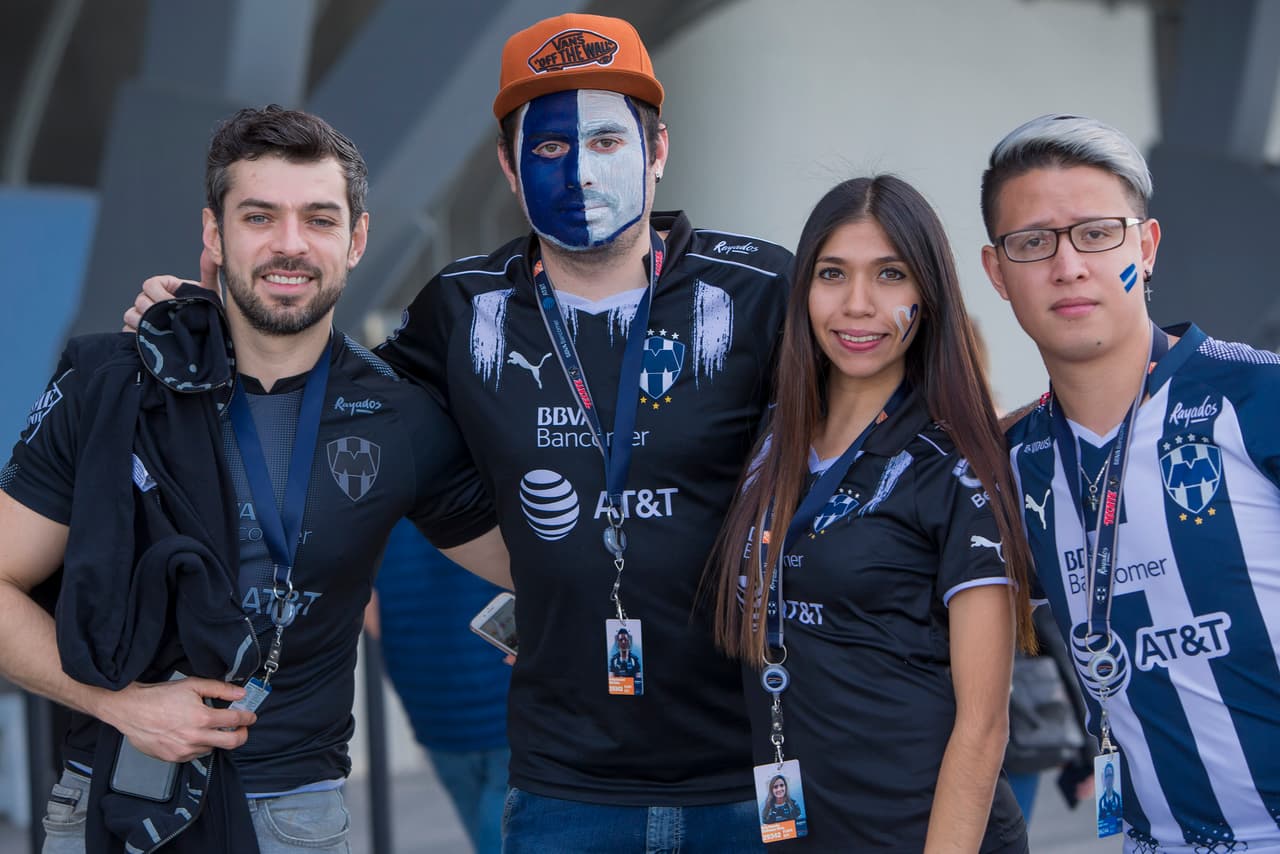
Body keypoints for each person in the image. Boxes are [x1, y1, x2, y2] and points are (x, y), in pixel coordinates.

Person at [131, 15, 790, 851]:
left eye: (607, 142)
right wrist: (208, 323)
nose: (581, 170)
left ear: (657, 152)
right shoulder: (462, 307)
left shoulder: (763, 287)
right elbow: (329, 388)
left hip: (754, 766)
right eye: (548, 150)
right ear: (511, 171)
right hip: (566, 782)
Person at [0, 105, 507, 853]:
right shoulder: (109, 384)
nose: (290, 245)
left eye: (320, 219)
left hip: (293, 813)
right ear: (214, 234)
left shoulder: (403, 415)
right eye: (260, 216)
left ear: (357, 239)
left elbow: (539, 564)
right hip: (111, 792)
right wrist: (122, 705)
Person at [706, 175, 1033, 852]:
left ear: (928, 294)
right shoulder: (770, 438)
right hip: (801, 827)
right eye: (832, 274)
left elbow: (983, 726)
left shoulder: (956, 464)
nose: (858, 305)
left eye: (890, 275)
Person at [985, 114, 1280, 853]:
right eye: (1033, 243)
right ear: (997, 273)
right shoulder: (1010, 464)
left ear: (1144, 247)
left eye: (1095, 233)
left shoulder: (1261, 402)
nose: (1068, 265)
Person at [367, 519, 511, 854]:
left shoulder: (380, 481)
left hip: (428, 694)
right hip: (503, 695)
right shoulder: (500, 471)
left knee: (490, 831)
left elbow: (359, 602)